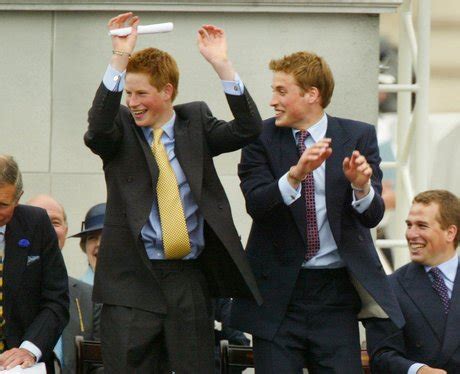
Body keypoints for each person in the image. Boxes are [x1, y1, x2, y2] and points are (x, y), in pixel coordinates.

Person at [84, 12, 262, 373]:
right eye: (128, 93)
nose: (133, 102)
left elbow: (248, 128)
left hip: (188, 281)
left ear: (166, 92)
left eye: (141, 94)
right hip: (132, 280)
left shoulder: (194, 121)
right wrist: (119, 56)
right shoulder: (120, 129)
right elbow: (97, 127)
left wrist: (222, 65)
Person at [230, 51, 404, 373]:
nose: (272, 101)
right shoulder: (261, 138)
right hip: (277, 296)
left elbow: (373, 216)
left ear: (312, 95)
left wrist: (362, 187)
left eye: (282, 91)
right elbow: (256, 204)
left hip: (335, 295)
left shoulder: (358, 135)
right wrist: (295, 174)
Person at [365, 190, 460, 374]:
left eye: (422, 226)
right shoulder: (390, 288)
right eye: (409, 225)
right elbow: (381, 355)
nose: (411, 234)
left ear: (450, 232)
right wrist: (418, 371)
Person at [0, 155, 69, 372]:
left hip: (22, 363)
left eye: (2, 205)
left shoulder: (36, 224)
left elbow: (56, 300)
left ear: (18, 198)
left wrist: (29, 349)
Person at [27, 194, 100, 373]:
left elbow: (101, 363)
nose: (47, 229)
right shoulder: (5, 290)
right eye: (38, 220)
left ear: (66, 232)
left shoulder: (88, 297)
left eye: (55, 222)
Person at [70, 203, 106, 286]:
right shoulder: (74, 293)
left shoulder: (137, 288)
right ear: (84, 246)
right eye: (92, 237)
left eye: (106, 237)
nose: (98, 244)